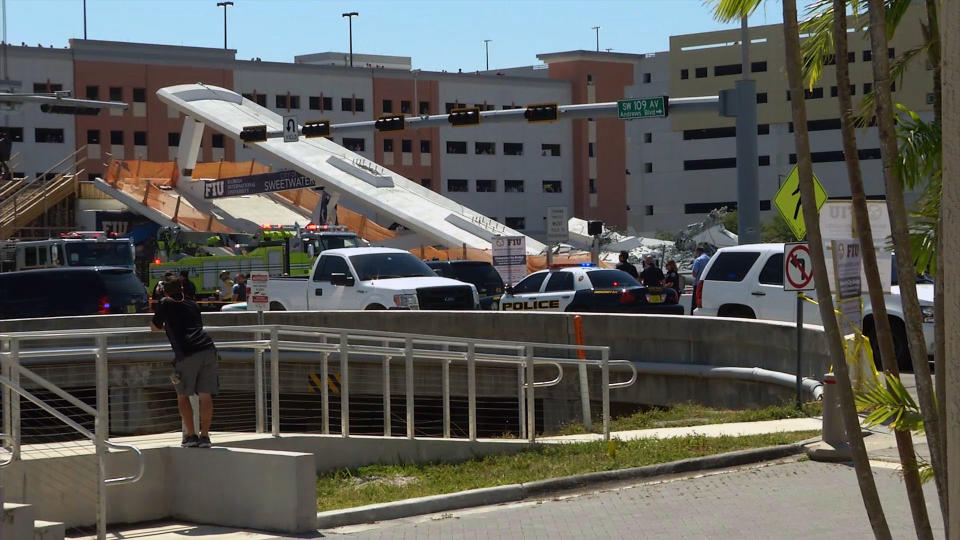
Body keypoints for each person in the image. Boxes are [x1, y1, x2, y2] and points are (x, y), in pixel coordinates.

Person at [150, 278, 218, 448]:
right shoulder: (192, 304)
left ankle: (191, 436)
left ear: (164, 291)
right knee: (205, 395)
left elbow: (154, 326)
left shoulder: (165, 302)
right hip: (208, 348)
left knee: (183, 395)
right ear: (181, 288)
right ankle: (205, 436)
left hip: (187, 353)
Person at [691, 247, 711, 314]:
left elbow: (694, 274)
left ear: (698, 251)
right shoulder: (709, 259)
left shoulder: (698, 260)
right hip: (708, 284)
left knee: (695, 303)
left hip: (698, 284)